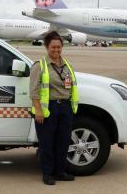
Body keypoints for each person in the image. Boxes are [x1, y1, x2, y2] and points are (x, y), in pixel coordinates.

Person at [29, 31, 79, 185]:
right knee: (47, 143)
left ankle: (60, 172)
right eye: (53, 47)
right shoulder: (40, 66)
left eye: (59, 47)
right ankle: (47, 173)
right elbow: (34, 91)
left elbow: (71, 87)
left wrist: (70, 108)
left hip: (65, 108)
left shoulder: (67, 65)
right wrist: (38, 110)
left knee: (63, 142)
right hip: (48, 108)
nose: (56, 50)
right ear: (46, 47)